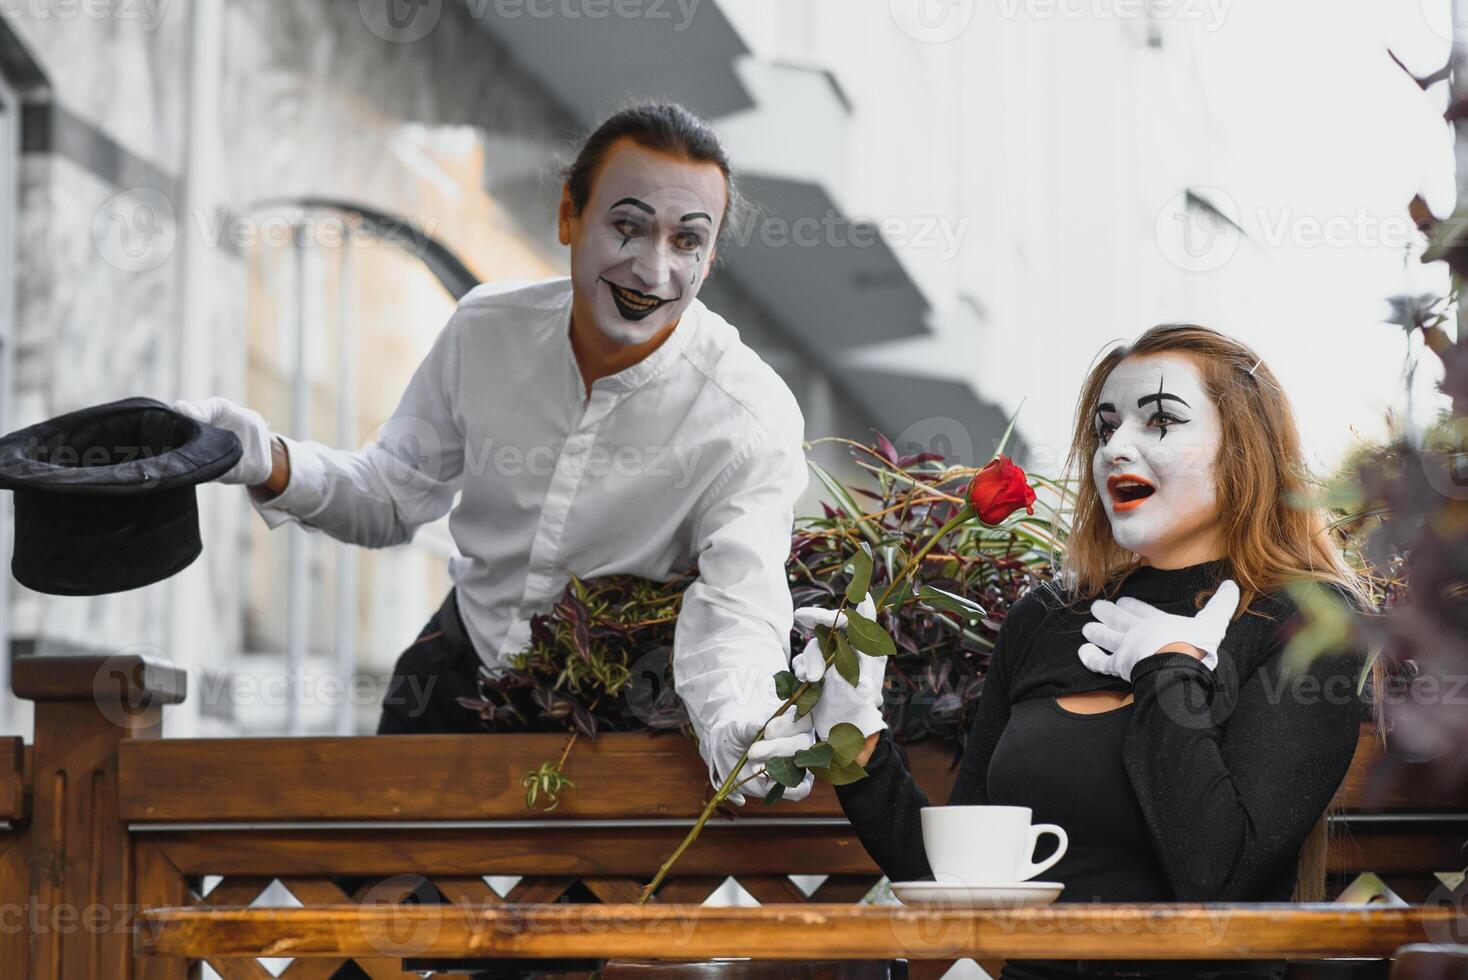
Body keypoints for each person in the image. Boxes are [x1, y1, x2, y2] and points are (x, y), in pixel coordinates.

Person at [178, 102, 815, 804]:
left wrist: (738, 722)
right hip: (453, 673)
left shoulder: (749, 415)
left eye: (687, 241)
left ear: (710, 254)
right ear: (569, 213)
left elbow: (740, 602)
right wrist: (263, 458)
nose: (652, 269)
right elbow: (393, 495)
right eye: (627, 226)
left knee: (584, 919)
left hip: (612, 721)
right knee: (374, 898)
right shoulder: (485, 330)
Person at [786, 325, 1369, 979]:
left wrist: (1167, 669)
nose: (1117, 448)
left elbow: (1216, 880)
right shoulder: (1047, 618)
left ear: (1244, 451)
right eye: (1106, 427)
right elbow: (961, 884)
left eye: (1160, 422)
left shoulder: (1304, 621)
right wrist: (854, 739)